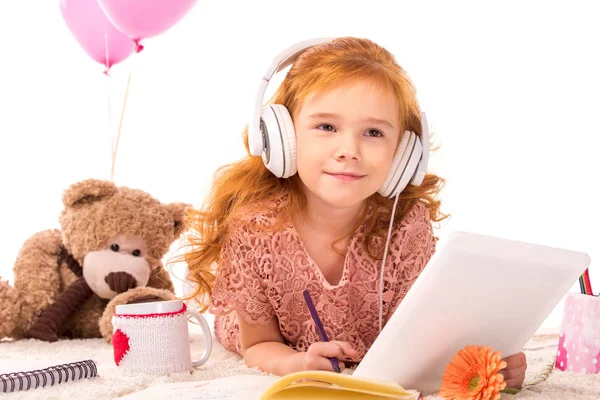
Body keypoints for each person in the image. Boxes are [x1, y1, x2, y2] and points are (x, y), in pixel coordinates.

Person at [181, 36, 526, 388]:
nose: (349, 150)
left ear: (405, 154)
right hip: (270, 340)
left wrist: (482, 361)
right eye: (326, 126)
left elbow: (419, 334)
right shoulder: (256, 227)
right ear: (281, 136)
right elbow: (258, 344)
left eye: (373, 132)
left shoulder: (404, 225)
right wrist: (298, 362)